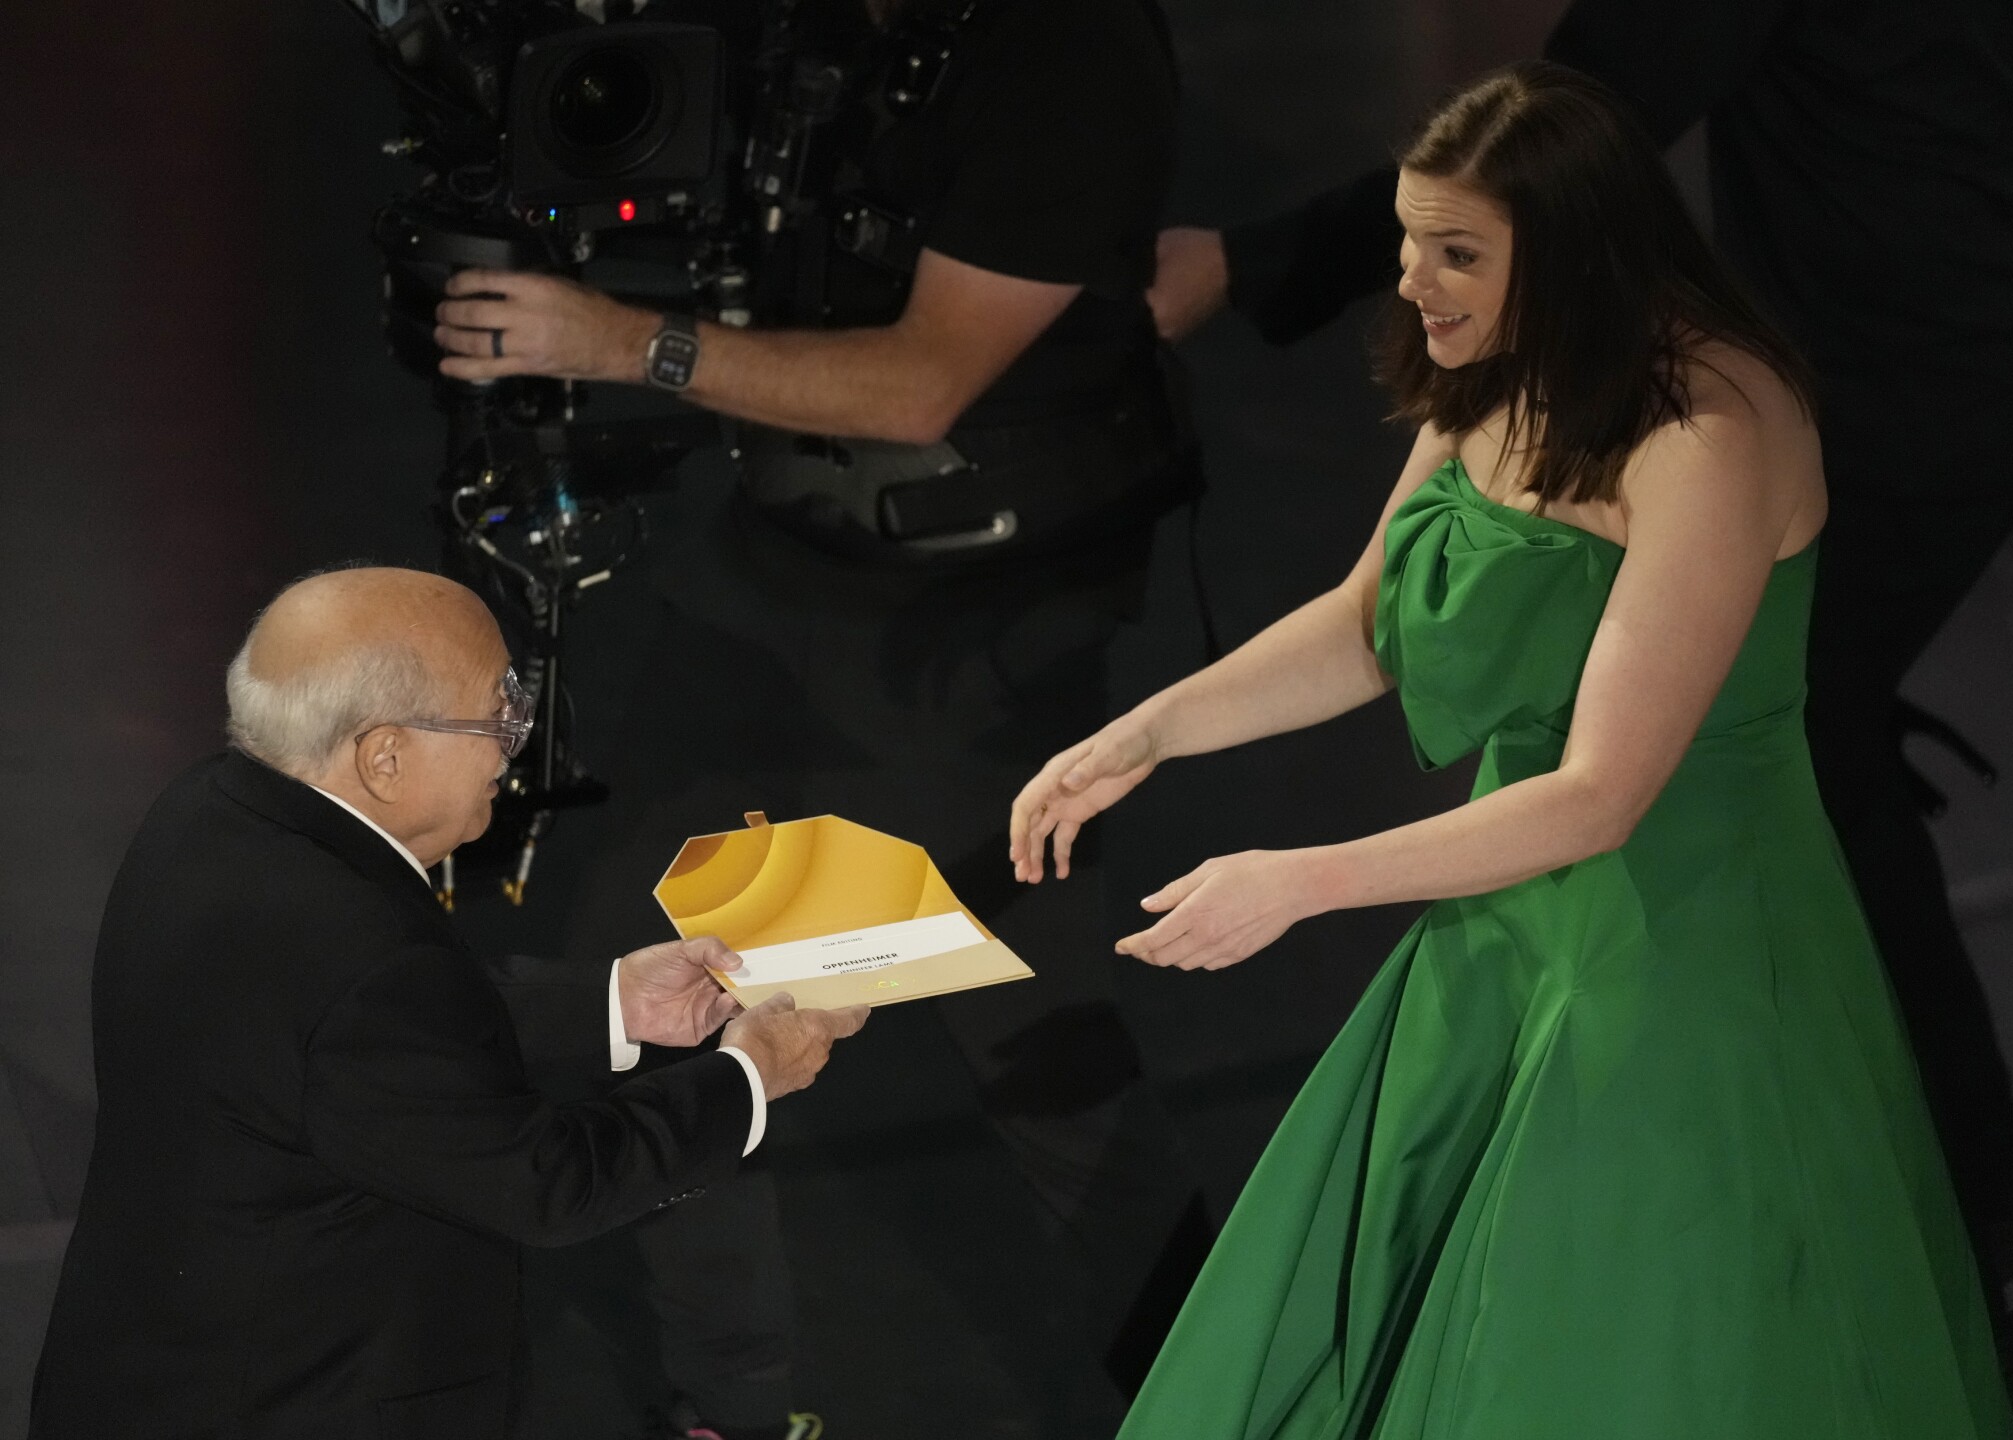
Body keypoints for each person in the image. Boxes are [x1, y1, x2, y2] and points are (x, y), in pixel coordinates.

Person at [1145, 0, 2013, 1412]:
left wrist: (1299, 880)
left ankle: (1957, 1153)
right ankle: (1972, 1156)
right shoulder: (1497, 360)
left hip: (1901, 402)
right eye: (1412, 250)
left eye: (1454, 258)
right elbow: (1373, 617)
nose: (1418, 290)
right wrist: (1139, 734)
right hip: (1994, 353)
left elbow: (1580, 108)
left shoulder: (1700, 430)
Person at [424, 0, 1211, 1427]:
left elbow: (922, 382)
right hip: (787, 560)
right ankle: (730, 1401)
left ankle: (1226, 1393)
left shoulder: (1066, 49)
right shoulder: (857, 23)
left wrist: (621, 344)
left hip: (978, 628)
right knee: (647, 971)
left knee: (1041, 1059)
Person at [28, 567, 867, 1440]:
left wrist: (618, 1001)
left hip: (160, 1368)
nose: (517, 748)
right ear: (384, 756)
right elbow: (548, 1183)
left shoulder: (208, 814)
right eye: (498, 718)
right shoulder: (361, 952)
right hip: (301, 1398)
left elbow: (363, 1042)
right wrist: (750, 1074)